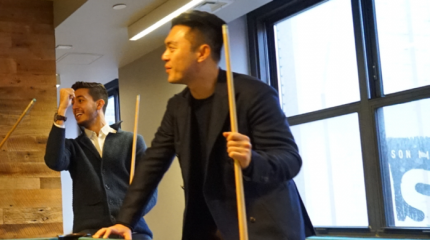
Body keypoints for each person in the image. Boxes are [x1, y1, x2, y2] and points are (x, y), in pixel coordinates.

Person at [94, 11, 314, 240]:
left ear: (202, 52)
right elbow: (152, 164)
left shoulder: (253, 94)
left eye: (172, 47)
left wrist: (252, 160)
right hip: (208, 228)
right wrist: (125, 221)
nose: (164, 56)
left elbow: (290, 160)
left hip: (263, 228)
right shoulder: (178, 106)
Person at [45, 82, 156, 240]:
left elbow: (150, 191)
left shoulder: (132, 141)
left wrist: (127, 222)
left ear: (99, 104)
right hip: (91, 234)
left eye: (81, 100)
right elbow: (53, 161)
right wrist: (61, 110)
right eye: (73, 102)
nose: (74, 106)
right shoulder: (73, 147)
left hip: (133, 232)